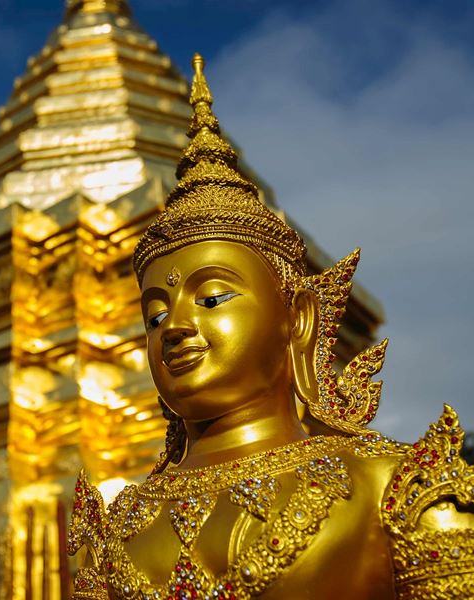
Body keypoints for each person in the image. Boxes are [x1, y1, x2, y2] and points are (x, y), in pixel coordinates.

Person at [67, 54, 474, 600]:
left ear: (298, 319)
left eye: (212, 297)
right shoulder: (120, 528)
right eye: (155, 315)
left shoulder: (395, 490)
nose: (175, 327)